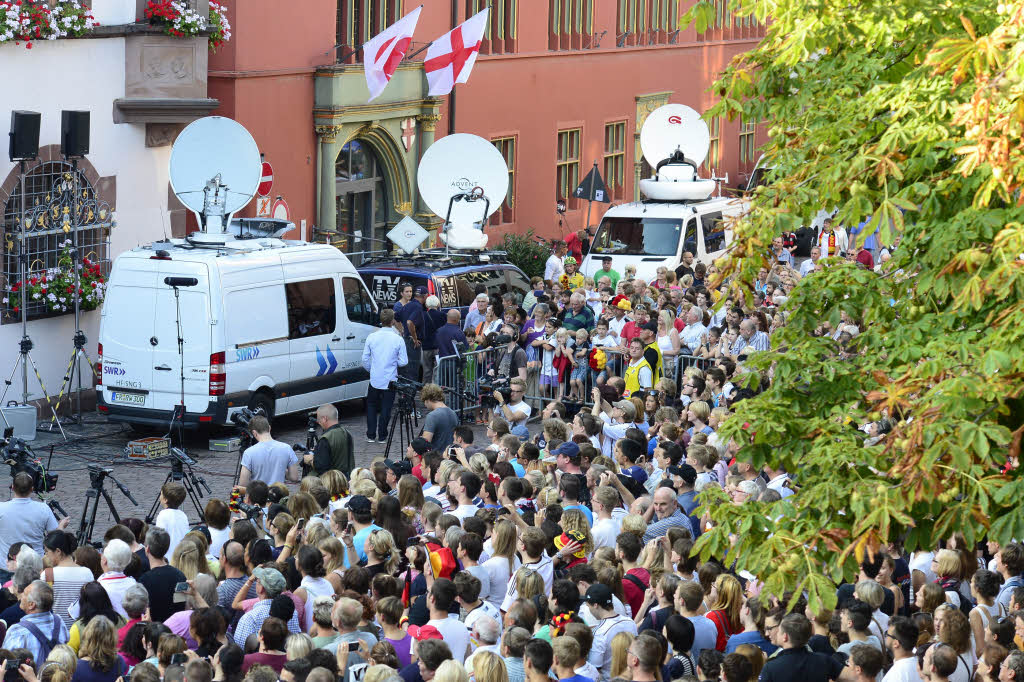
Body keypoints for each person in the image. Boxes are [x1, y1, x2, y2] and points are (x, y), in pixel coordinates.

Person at [362, 309, 409, 444]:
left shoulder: (372, 337)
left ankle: (371, 434)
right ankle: (382, 435)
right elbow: (404, 361)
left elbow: (365, 359)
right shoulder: (397, 339)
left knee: (371, 405)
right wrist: (393, 363)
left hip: (375, 377)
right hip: (390, 378)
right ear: (392, 321)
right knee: (386, 407)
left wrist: (373, 369)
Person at [0, 472, 67, 558]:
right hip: (35, 564)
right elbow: (55, 537)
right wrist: (61, 526)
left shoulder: (1, 508)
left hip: (6, 565)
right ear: (32, 489)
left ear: (12, 487)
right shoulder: (43, 508)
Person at [760, 613, 842, 682]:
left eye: (779, 631)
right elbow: (852, 675)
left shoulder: (770, 668)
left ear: (785, 637)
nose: (767, 634)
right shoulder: (824, 660)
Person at [1, 580, 68, 662]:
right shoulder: (59, 621)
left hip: (30, 674)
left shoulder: (17, 631)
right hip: (56, 672)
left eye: (25, 594)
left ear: (31, 605)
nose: (21, 596)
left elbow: (6, 662)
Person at [583, 584, 637, 680]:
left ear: (595, 605)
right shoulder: (630, 622)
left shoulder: (599, 633)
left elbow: (595, 668)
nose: (589, 609)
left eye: (588, 606)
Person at [138, 528, 186, 623]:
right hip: (176, 629)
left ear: (147, 549)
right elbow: (181, 604)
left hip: (155, 630)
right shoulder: (180, 576)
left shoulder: (144, 581)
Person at [238, 416, 299, 486]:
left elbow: (243, 483)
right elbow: (294, 477)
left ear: (254, 433)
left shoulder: (249, 452)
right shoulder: (287, 448)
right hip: (279, 495)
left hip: (257, 495)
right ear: (269, 428)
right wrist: (281, 470)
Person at [882, 616, 922, 682]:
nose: (886, 636)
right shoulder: (921, 664)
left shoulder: (896, 675)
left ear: (896, 643)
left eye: (887, 634)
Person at [420, 384, 459, 452]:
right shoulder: (453, 413)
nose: (425, 405)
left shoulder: (432, 415)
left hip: (435, 457)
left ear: (428, 399)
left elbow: (425, 443)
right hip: (449, 456)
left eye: (424, 401)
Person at [154, 483, 189, 557]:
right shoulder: (183, 515)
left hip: (167, 556)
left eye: (161, 494)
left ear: (165, 500)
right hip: (181, 555)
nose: (160, 497)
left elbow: (159, 537)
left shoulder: (163, 515)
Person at [421, 295, 446, 384]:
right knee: (437, 370)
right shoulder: (442, 315)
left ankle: (426, 390)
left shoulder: (423, 315)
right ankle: (436, 389)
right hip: (438, 347)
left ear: (427, 305)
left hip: (426, 346)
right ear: (438, 304)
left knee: (427, 370)